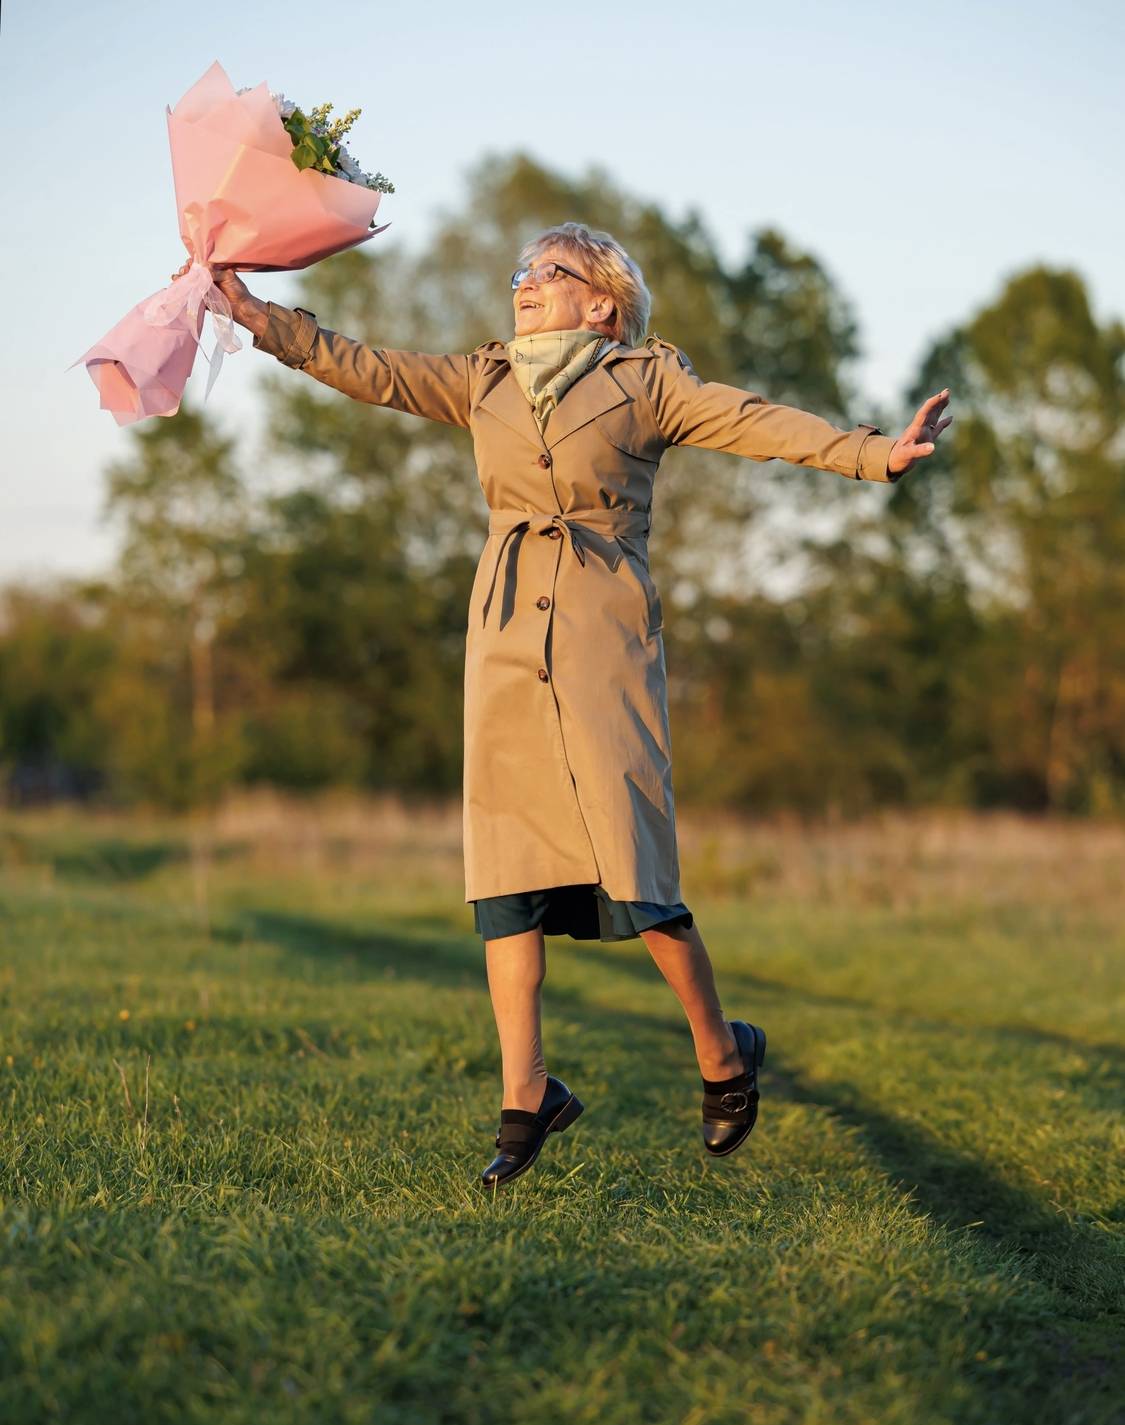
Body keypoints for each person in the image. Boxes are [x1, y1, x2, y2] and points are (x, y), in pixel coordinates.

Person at [214, 223, 952, 1190]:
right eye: (521, 271)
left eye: (548, 272)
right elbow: (369, 369)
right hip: (504, 638)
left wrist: (874, 455)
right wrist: (256, 314)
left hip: (603, 637)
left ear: (601, 302)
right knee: (505, 875)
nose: (524, 284)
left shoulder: (645, 382)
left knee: (631, 863)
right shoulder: (482, 379)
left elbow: (755, 421)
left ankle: (722, 1052)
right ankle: (527, 1095)